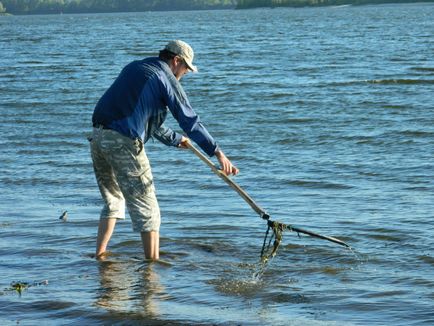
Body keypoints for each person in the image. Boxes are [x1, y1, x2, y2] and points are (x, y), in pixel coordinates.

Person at [89, 40, 239, 261]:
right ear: (175, 60)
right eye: (186, 68)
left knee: (113, 201)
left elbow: (145, 119)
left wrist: (176, 139)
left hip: (98, 136)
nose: (185, 74)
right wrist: (217, 152)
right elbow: (189, 120)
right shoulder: (164, 76)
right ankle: (152, 267)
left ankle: (99, 257)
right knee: (148, 208)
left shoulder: (135, 67)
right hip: (123, 141)